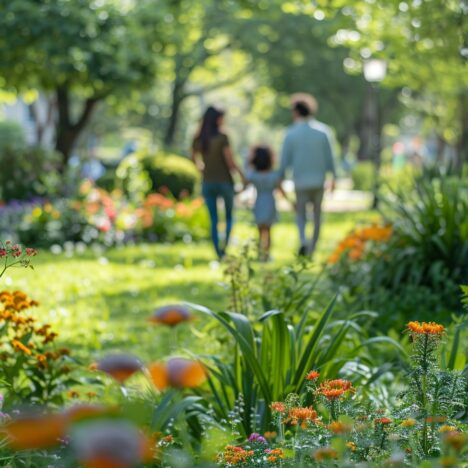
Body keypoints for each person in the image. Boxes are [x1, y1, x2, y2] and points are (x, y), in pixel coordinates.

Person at [280, 99, 336, 257]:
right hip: (318, 181)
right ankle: (312, 247)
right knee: (317, 216)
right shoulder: (323, 132)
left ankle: (304, 240)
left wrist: (280, 177)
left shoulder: (291, 133)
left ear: (296, 112)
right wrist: (334, 177)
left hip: (300, 181)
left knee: (301, 214)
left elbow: (284, 160)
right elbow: (330, 158)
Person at [191, 106, 245, 259]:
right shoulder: (222, 137)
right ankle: (225, 247)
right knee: (228, 216)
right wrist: (243, 177)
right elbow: (230, 162)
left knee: (213, 218)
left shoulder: (199, 137)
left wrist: (202, 169)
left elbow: (194, 158)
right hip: (225, 182)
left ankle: (217, 251)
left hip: (208, 182)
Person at [246, 146, 292, 261]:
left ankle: (259, 254)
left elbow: (245, 183)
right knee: (269, 231)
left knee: (260, 231)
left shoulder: (254, 175)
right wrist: (291, 203)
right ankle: (266, 254)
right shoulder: (274, 175)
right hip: (270, 203)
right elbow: (282, 191)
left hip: (259, 202)